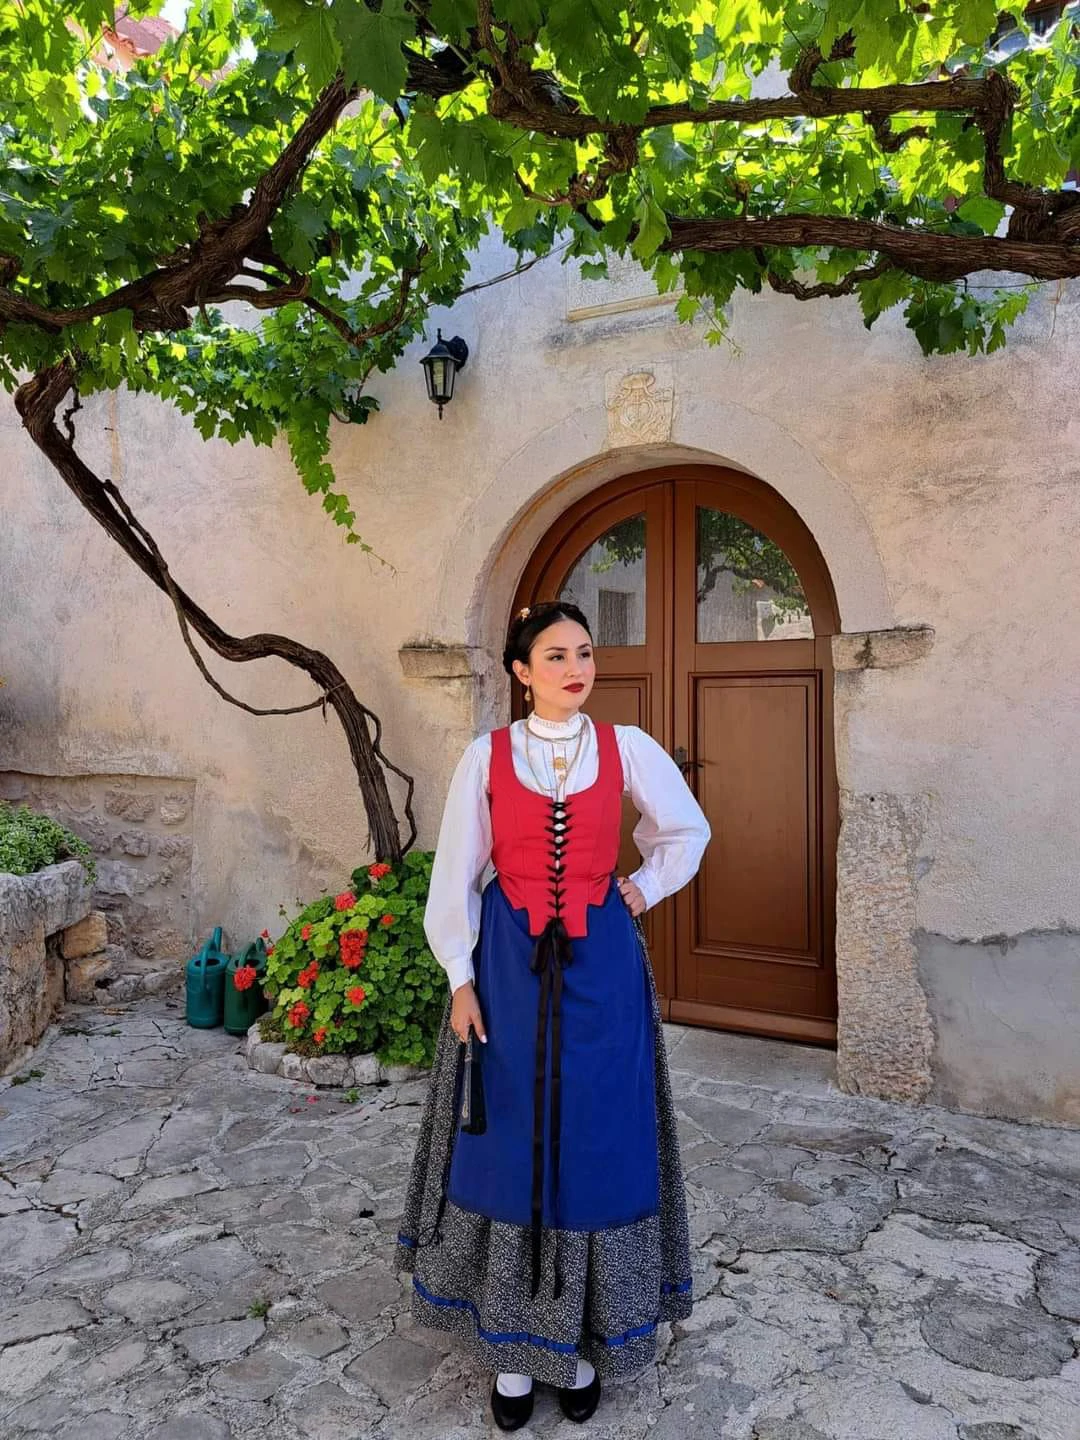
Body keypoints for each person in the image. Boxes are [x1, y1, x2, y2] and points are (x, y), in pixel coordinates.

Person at [394, 599, 711, 1429]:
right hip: (506, 963)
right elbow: (456, 874)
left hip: (602, 967)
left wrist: (637, 890)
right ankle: (511, 1352)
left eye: (585, 653)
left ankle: (576, 1343)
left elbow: (685, 830)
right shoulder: (488, 757)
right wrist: (460, 979)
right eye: (557, 655)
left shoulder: (625, 747)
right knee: (508, 1134)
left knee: (597, 1133)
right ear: (522, 671)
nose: (577, 668)